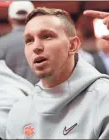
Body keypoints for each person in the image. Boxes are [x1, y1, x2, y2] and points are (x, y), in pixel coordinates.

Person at [6, 7, 109, 139]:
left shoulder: (104, 98)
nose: (36, 47)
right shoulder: (19, 111)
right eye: (29, 40)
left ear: (72, 46)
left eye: (47, 36)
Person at [0, 1, 39, 85]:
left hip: (11, 96)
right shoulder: (45, 42)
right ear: (33, 18)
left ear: (10, 19)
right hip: (40, 95)